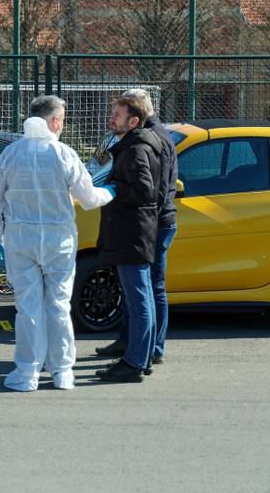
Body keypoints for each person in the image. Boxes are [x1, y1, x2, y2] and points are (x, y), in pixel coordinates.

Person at [0, 95, 115, 392]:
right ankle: (62, 371)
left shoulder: (11, 154)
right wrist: (110, 192)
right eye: (62, 120)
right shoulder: (64, 154)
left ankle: (27, 372)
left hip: (20, 238)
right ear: (55, 121)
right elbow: (89, 198)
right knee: (59, 305)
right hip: (59, 239)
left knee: (28, 307)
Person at [95, 89, 178, 370]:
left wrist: (115, 190)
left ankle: (146, 353)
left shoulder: (146, 142)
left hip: (150, 224)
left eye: (117, 113)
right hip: (147, 223)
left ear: (135, 117)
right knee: (141, 292)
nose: (111, 118)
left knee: (147, 291)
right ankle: (136, 348)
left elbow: (151, 189)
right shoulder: (142, 139)